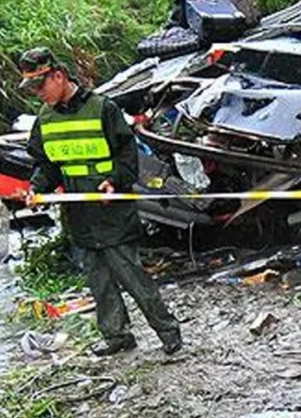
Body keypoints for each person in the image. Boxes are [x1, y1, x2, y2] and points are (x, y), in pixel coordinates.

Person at [19, 48, 183, 357]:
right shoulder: (45, 118)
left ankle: (168, 332)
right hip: (78, 212)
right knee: (99, 280)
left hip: (111, 209)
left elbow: (127, 154)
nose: (38, 95)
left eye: (40, 86)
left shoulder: (102, 108)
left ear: (58, 76)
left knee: (132, 275)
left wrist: (116, 181)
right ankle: (116, 336)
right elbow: (47, 163)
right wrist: (36, 189)